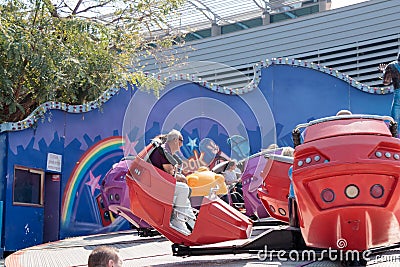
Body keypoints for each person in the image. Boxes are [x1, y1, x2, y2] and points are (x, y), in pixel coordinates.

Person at [148, 129, 196, 235]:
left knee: (184, 197)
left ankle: (193, 224)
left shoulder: (165, 150)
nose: (182, 144)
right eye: (181, 140)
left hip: (158, 183)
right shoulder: (164, 151)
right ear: (175, 140)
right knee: (183, 189)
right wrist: (179, 177)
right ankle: (177, 220)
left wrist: (178, 176)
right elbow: (169, 172)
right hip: (158, 186)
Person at [379, 54, 400, 135]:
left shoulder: (392, 66)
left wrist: (384, 71)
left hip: (398, 94)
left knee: (394, 121)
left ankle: (395, 139)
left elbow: (386, 82)